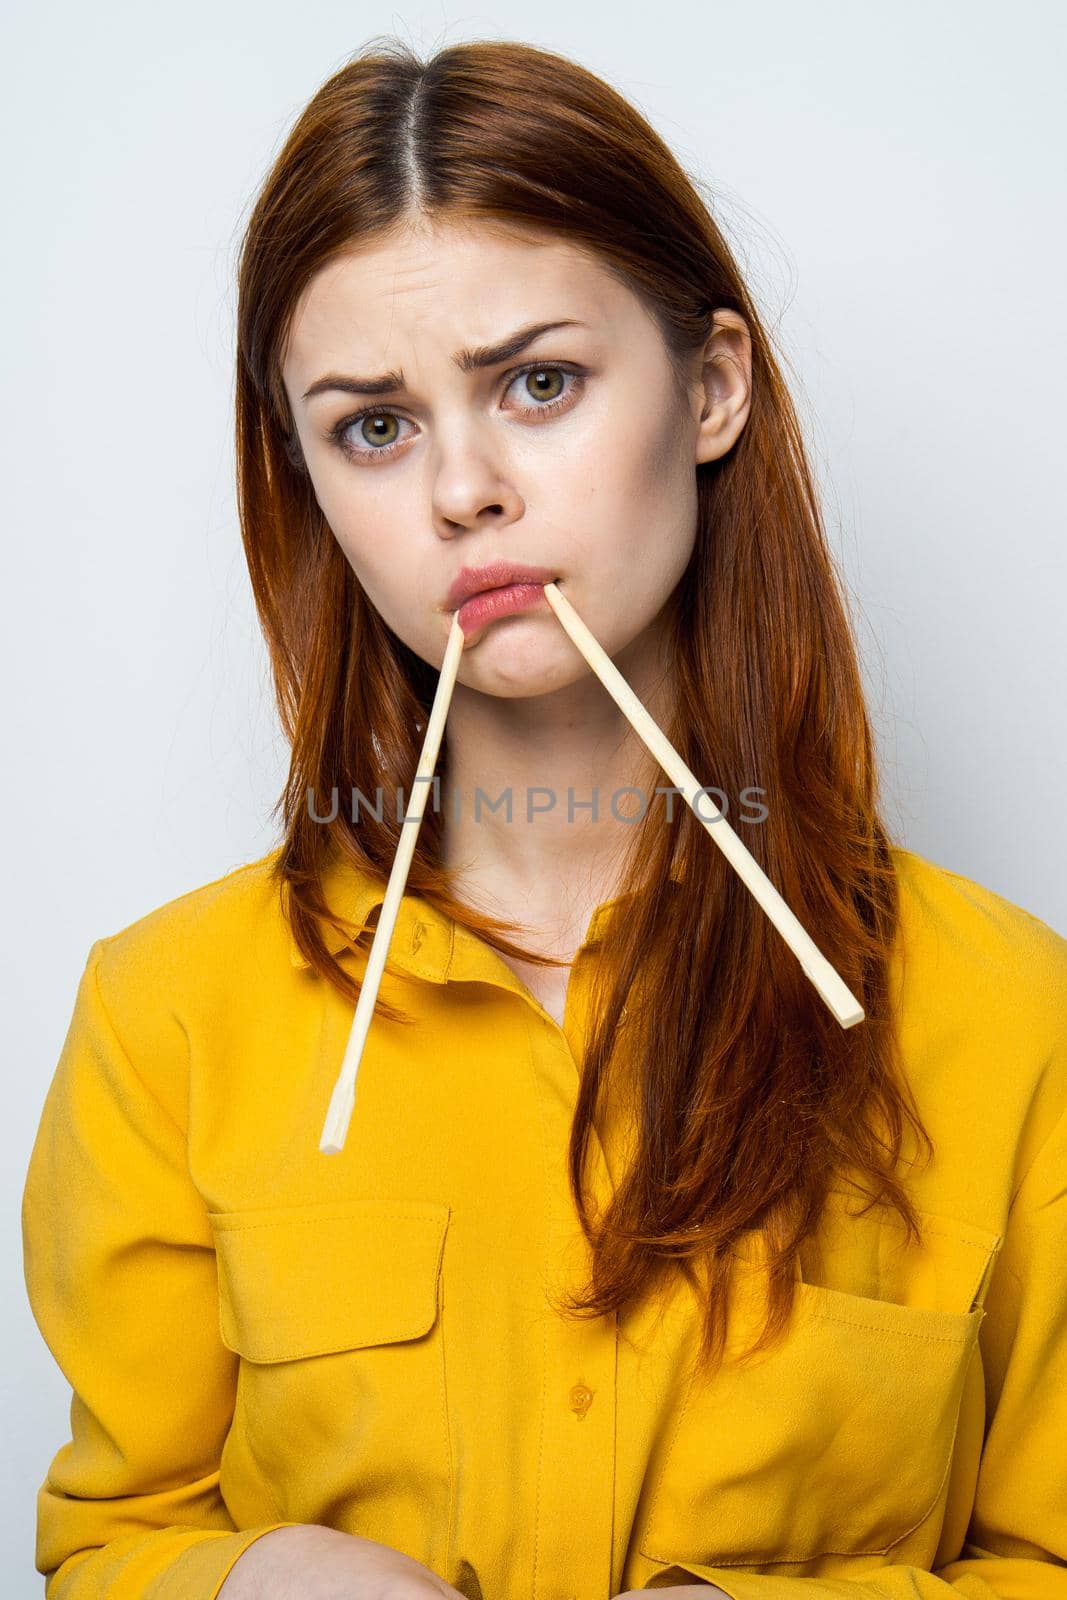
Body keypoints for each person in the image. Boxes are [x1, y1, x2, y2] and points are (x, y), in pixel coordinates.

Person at [21, 33, 1067, 1600]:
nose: (464, 489)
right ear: (308, 478)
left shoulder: (1008, 1014)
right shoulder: (166, 1022)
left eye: (539, 383)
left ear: (709, 389)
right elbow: (110, 1540)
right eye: (372, 425)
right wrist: (249, 1582)